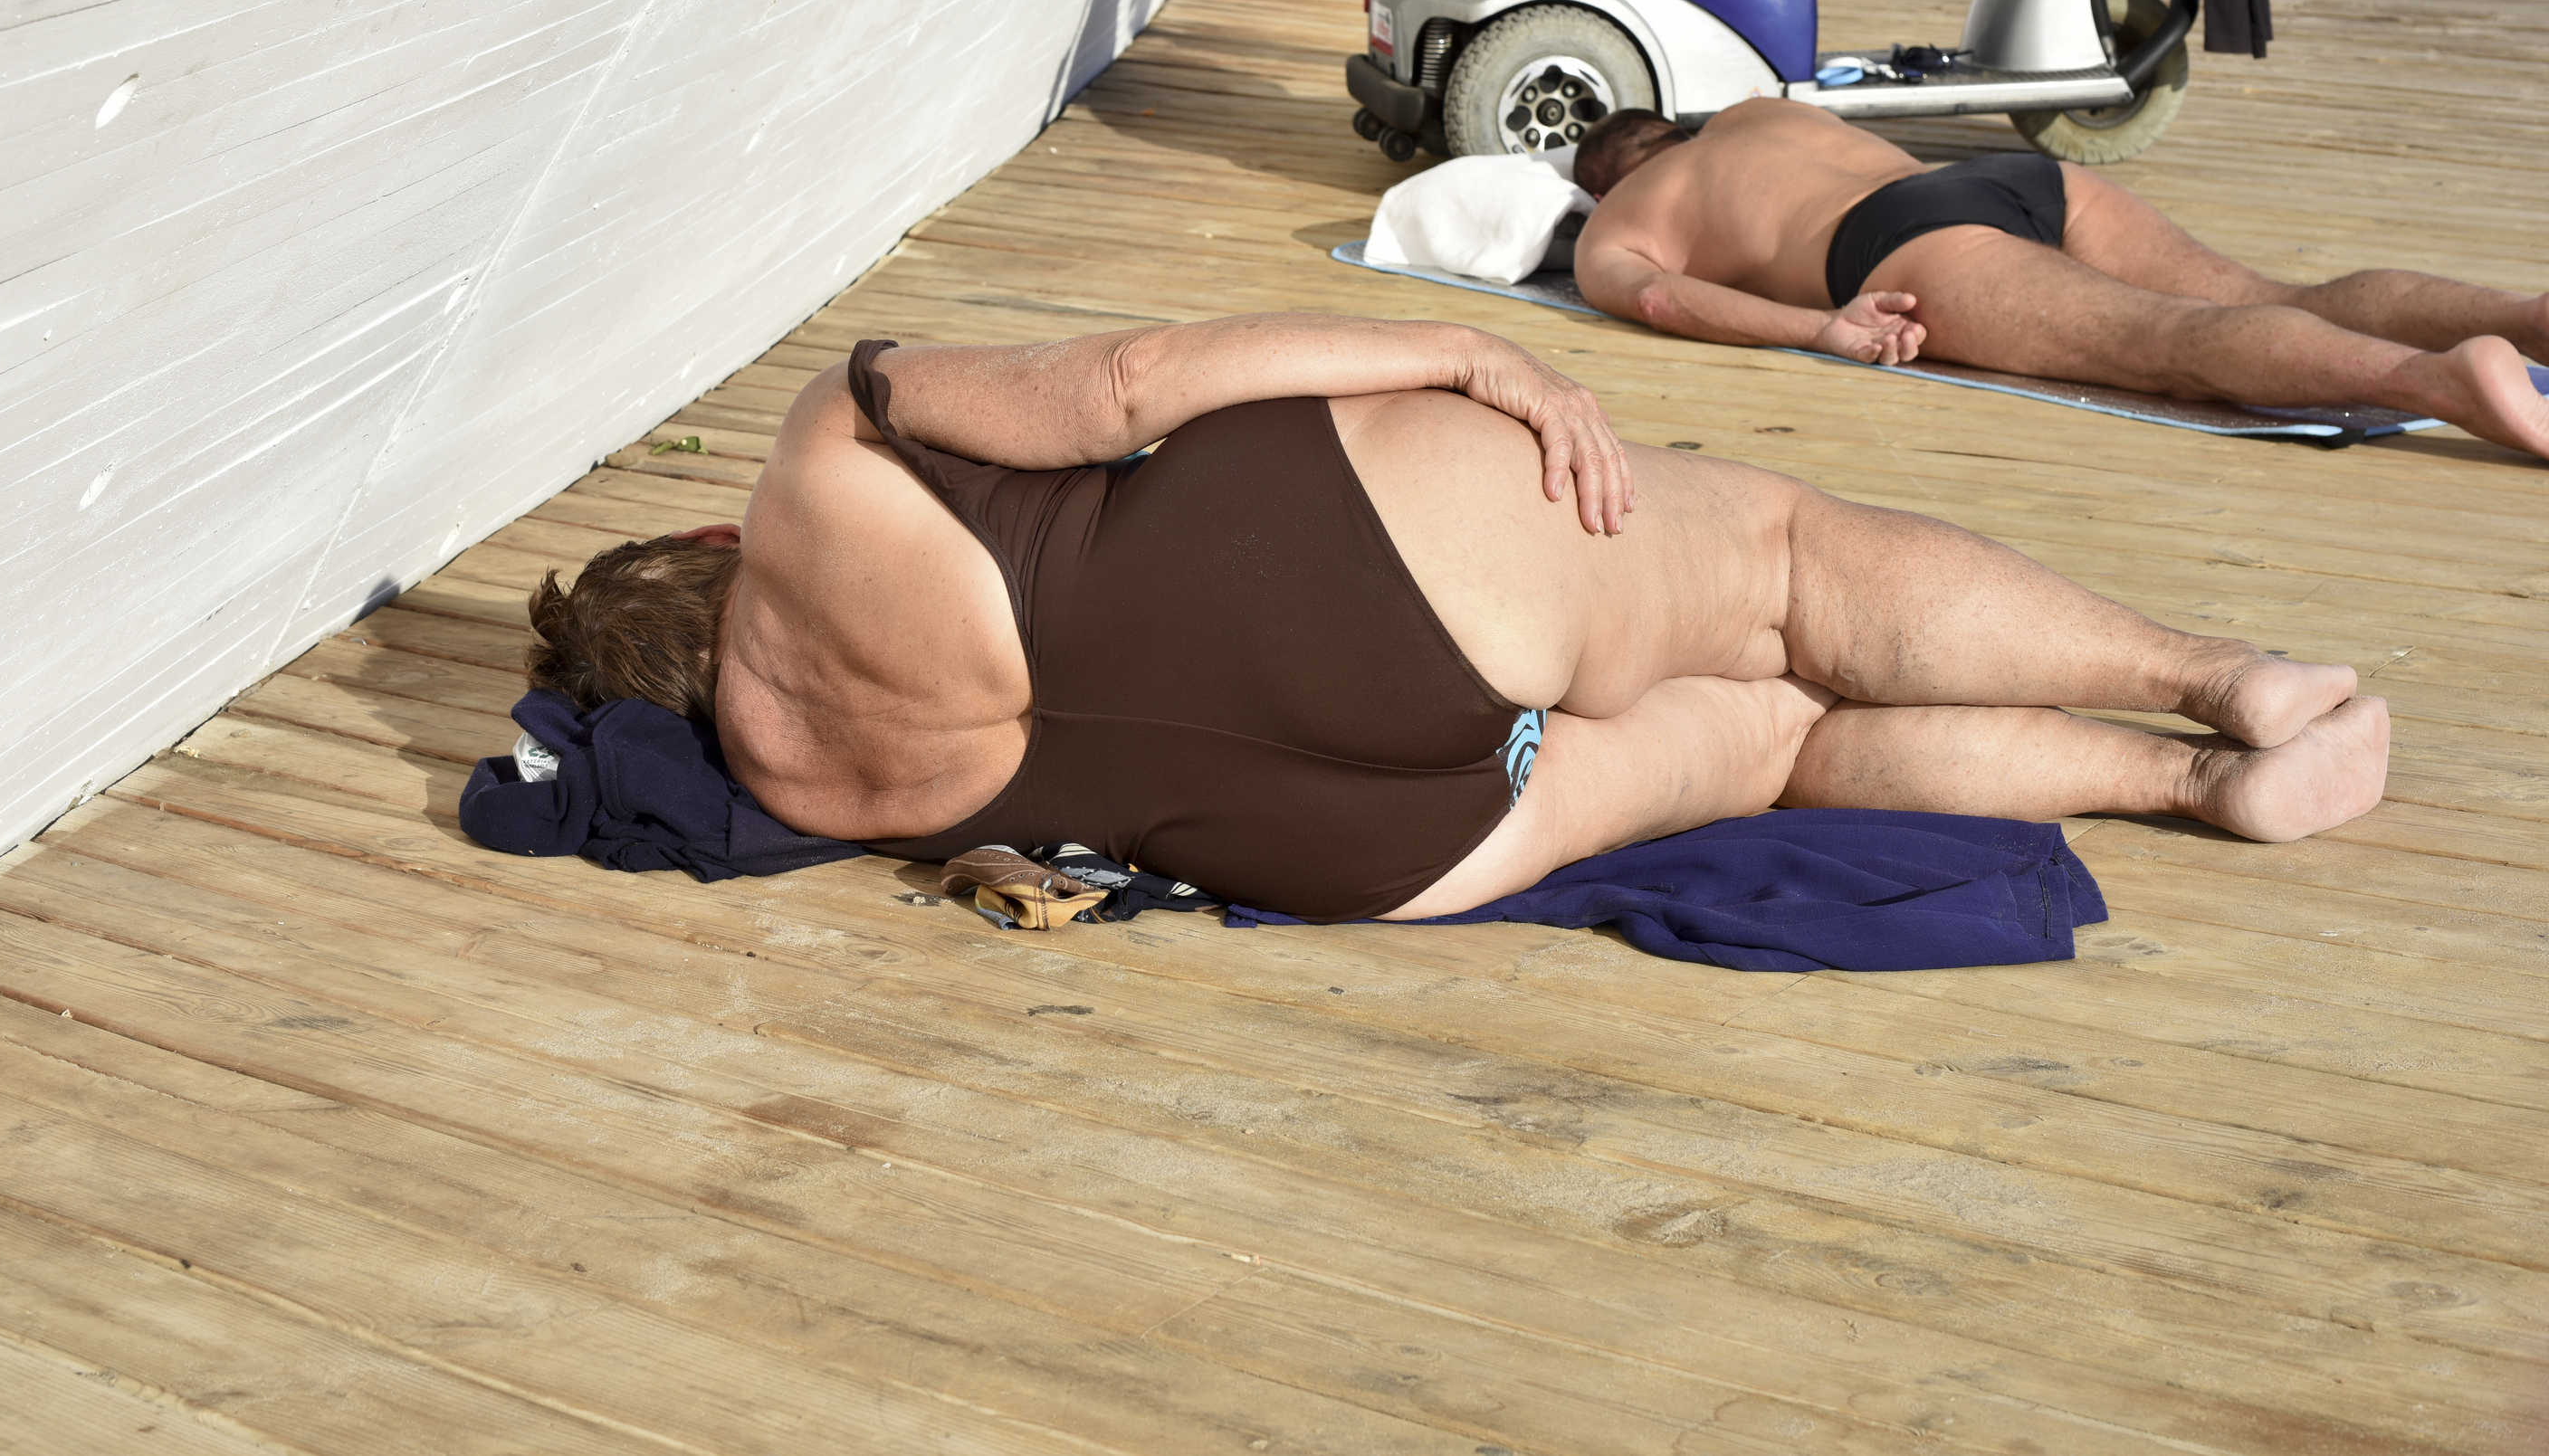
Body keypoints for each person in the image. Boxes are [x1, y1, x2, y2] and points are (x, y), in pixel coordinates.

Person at [524, 317, 2389, 925]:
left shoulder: (797, 773)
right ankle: (2224, 682)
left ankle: (2173, 789)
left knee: (1787, 748)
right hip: (1342, 557)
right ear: (708, 539)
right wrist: (1468, 352)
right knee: (1791, 568)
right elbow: (1124, 384)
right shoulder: (816, 458)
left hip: (1367, 844)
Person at [1564, 100, 2549, 462]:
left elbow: (1658, 298)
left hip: (1896, 242)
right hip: (1996, 180)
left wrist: (1819, 327)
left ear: (1604, 175)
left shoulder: (1618, 217)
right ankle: (2525, 316)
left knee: (2167, 345)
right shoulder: (1753, 112)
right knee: (2271, 295)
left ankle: (2436, 380)